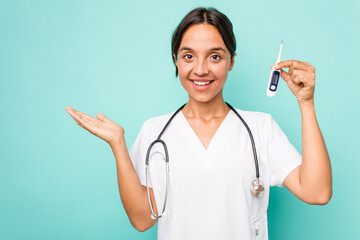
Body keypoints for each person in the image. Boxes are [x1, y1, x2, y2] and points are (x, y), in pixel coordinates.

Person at [65, 7, 332, 240]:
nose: (201, 69)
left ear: (231, 62)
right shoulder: (155, 131)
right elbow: (142, 220)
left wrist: (306, 103)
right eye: (188, 56)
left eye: (215, 56)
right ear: (176, 61)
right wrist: (118, 145)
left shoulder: (260, 128)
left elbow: (317, 192)